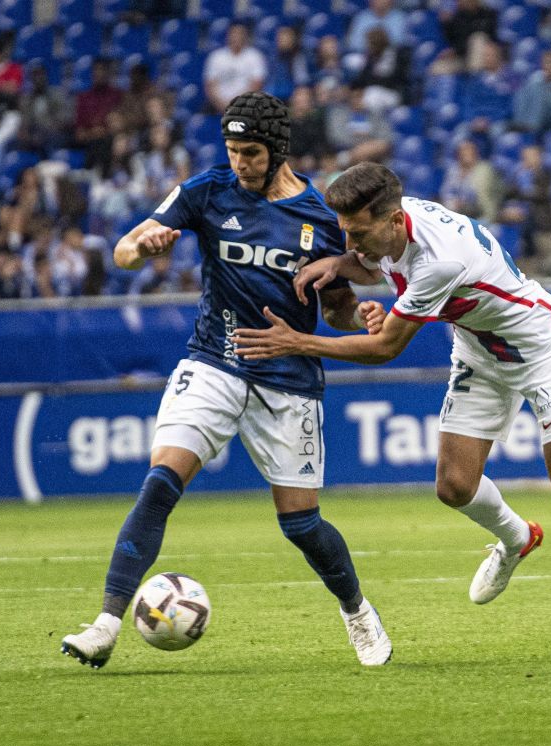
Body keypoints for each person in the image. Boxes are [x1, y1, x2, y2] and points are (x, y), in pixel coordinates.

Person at [232, 161, 551, 663]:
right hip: (481, 348)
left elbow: (385, 348)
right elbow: (379, 265)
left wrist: (296, 342)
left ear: (391, 220)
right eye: (344, 232)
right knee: (454, 485)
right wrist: (343, 266)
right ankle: (517, 538)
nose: (350, 242)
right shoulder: (396, 227)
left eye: (357, 232)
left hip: (539, 348)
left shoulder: (439, 258)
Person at [61, 93, 392, 669]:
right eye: (233, 150)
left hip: (287, 379)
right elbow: (122, 252)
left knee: (302, 525)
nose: (240, 162)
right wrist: (145, 246)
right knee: (161, 480)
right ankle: (106, 624)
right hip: (214, 360)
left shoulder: (320, 215)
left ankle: (357, 612)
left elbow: (336, 307)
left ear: (278, 149)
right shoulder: (205, 191)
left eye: (251, 152)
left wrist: (359, 315)